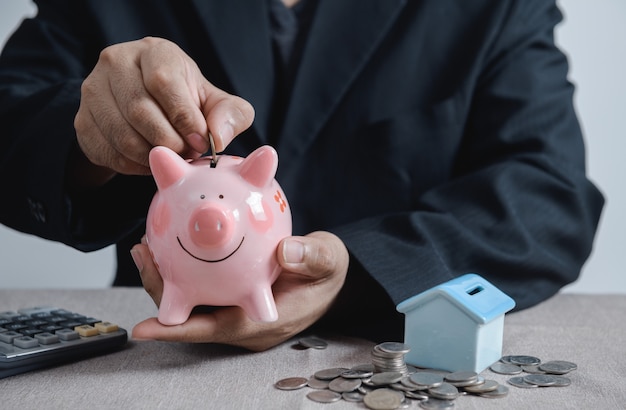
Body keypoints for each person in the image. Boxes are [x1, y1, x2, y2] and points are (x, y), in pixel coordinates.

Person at [0, 0, 604, 351]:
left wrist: (356, 272)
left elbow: (550, 195)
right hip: (161, 360)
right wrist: (89, 133)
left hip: (381, 339)